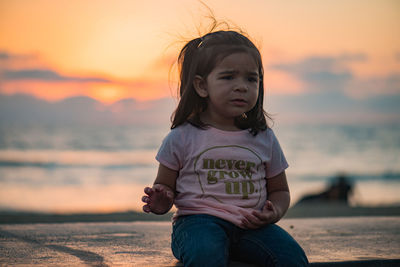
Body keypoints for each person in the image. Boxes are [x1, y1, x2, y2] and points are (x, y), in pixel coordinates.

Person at [142, 28, 309, 267]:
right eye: (228, 77)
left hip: (253, 226)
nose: (242, 86)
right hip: (198, 224)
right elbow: (165, 185)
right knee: (206, 254)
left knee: (292, 258)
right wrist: (161, 200)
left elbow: (280, 190)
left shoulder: (264, 138)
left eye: (251, 79)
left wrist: (275, 212)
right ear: (202, 86)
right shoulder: (182, 137)